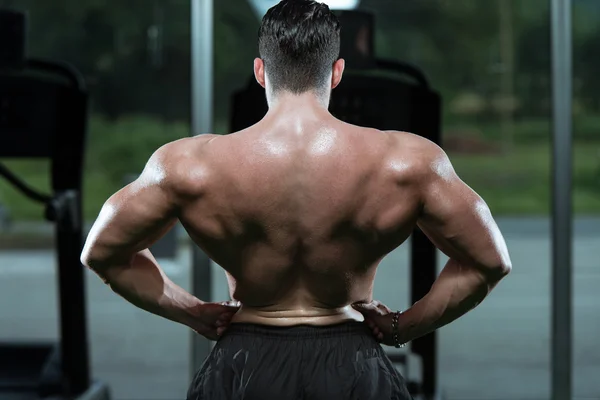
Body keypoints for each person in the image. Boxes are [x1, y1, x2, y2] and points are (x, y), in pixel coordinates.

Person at [80, 1, 512, 399]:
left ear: (260, 71)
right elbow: (489, 261)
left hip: (243, 364)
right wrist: (402, 327)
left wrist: (193, 312)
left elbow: (103, 252)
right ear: (337, 71)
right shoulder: (408, 163)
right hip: (353, 366)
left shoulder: (188, 165)